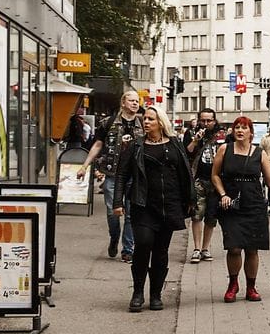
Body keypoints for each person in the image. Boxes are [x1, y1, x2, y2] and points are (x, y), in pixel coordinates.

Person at [113, 106, 194, 312]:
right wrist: (118, 203)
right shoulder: (136, 145)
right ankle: (138, 292)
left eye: (150, 118)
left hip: (169, 205)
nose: (146, 122)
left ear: (160, 122)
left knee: (160, 250)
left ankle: (156, 294)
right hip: (143, 204)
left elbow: (185, 172)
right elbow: (122, 175)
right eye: (145, 118)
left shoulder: (175, 144)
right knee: (143, 244)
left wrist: (190, 199)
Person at [212, 116, 270, 303]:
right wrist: (222, 194)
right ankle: (233, 284)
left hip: (254, 205)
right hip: (231, 205)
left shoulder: (259, 153)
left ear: (251, 132)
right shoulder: (224, 150)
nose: (240, 130)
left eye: (244, 128)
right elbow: (215, 176)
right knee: (234, 248)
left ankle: (251, 287)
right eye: (237, 127)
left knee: (252, 249)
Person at [77, 91, 143, 262]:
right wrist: (85, 166)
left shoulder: (143, 123)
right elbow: (98, 144)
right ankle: (114, 238)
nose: (135, 103)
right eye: (131, 100)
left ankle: (128, 249)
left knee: (131, 214)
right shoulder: (108, 122)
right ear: (123, 103)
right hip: (112, 173)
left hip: (134, 176)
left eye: (137, 101)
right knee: (112, 213)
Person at [184, 109, 225, 263]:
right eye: (203, 120)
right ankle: (196, 248)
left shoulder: (222, 136)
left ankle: (205, 249)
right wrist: (195, 140)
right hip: (198, 179)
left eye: (209, 121)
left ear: (215, 121)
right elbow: (186, 153)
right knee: (196, 215)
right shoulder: (192, 134)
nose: (206, 124)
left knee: (211, 216)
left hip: (216, 182)